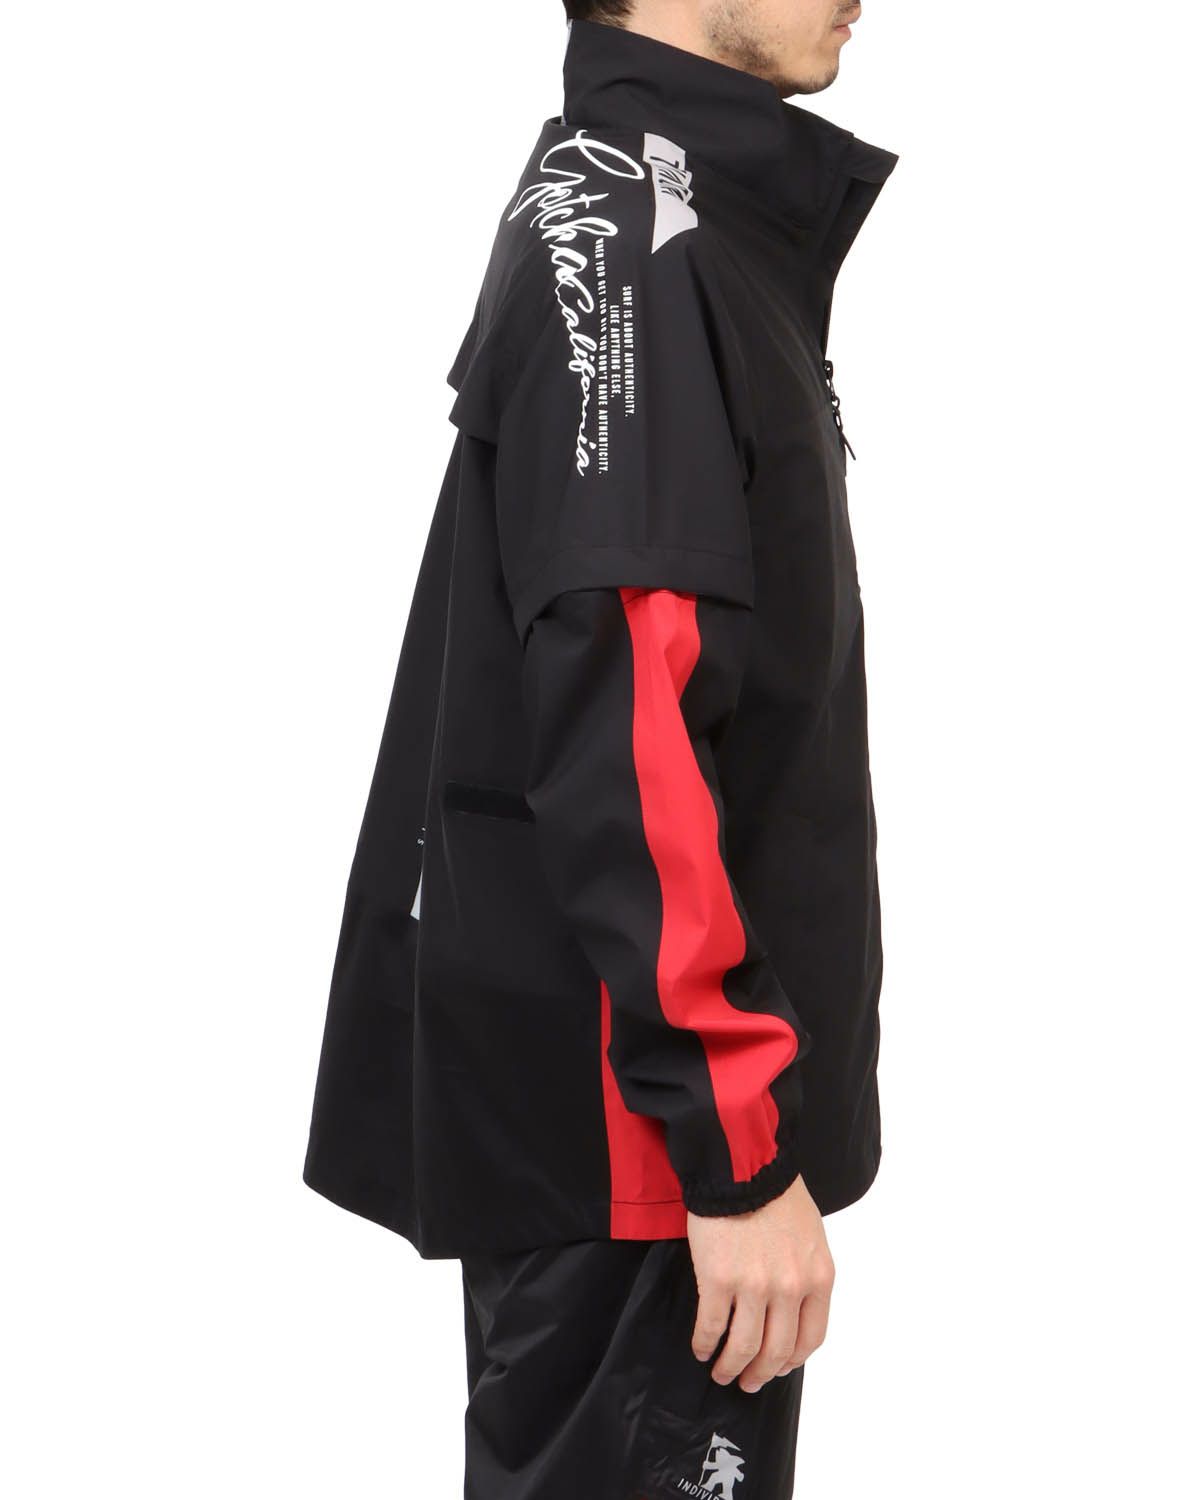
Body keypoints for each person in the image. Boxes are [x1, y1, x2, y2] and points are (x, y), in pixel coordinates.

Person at [303, 3, 898, 1495]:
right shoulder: (638, 242)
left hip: (628, 1123)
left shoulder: (649, 208)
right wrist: (734, 1149)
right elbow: (627, 719)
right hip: (643, 1149)